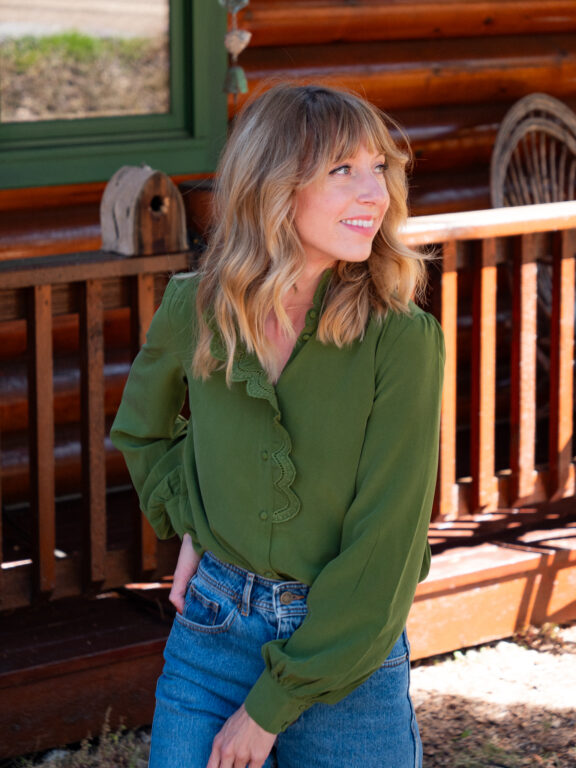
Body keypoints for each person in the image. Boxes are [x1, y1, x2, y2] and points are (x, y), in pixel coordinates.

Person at [110, 83, 444, 768]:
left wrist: (266, 714)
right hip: (212, 629)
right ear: (273, 187)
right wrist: (198, 522)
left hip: (347, 659)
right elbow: (144, 433)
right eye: (341, 170)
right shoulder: (195, 308)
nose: (374, 195)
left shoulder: (402, 340)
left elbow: (386, 552)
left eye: (378, 168)